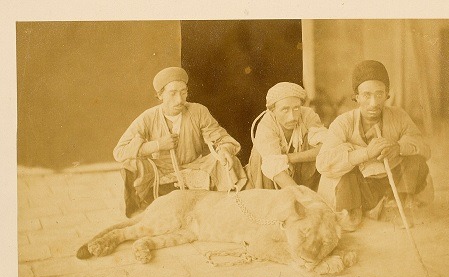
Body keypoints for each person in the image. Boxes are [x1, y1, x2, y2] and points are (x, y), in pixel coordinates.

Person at [315, 60, 433, 231]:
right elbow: (323, 163)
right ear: (356, 96)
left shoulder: (398, 115)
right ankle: (356, 209)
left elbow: (424, 148)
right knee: (345, 172)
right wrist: (366, 153)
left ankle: (393, 205)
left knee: (417, 162)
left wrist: (398, 147)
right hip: (362, 184)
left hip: (389, 180)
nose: (373, 103)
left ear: (387, 94)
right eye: (366, 95)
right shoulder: (343, 123)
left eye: (379, 94)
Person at [114, 67, 246, 216]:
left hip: (195, 165)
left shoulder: (198, 111)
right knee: (131, 165)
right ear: (160, 95)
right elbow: (119, 152)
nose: (179, 100)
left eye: (183, 92)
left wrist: (225, 150)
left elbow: (221, 138)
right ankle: (138, 212)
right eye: (172, 93)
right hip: (160, 170)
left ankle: (226, 209)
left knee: (225, 160)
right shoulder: (148, 117)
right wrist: (157, 145)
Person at [246, 82, 327, 190]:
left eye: (296, 108)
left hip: (298, 175)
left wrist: (289, 158)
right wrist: (302, 196)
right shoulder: (266, 126)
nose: (292, 117)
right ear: (272, 110)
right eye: (285, 110)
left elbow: (327, 148)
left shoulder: (307, 115)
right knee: (262, 155)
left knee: (313, 142)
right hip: (270, 179)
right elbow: (274, 167)